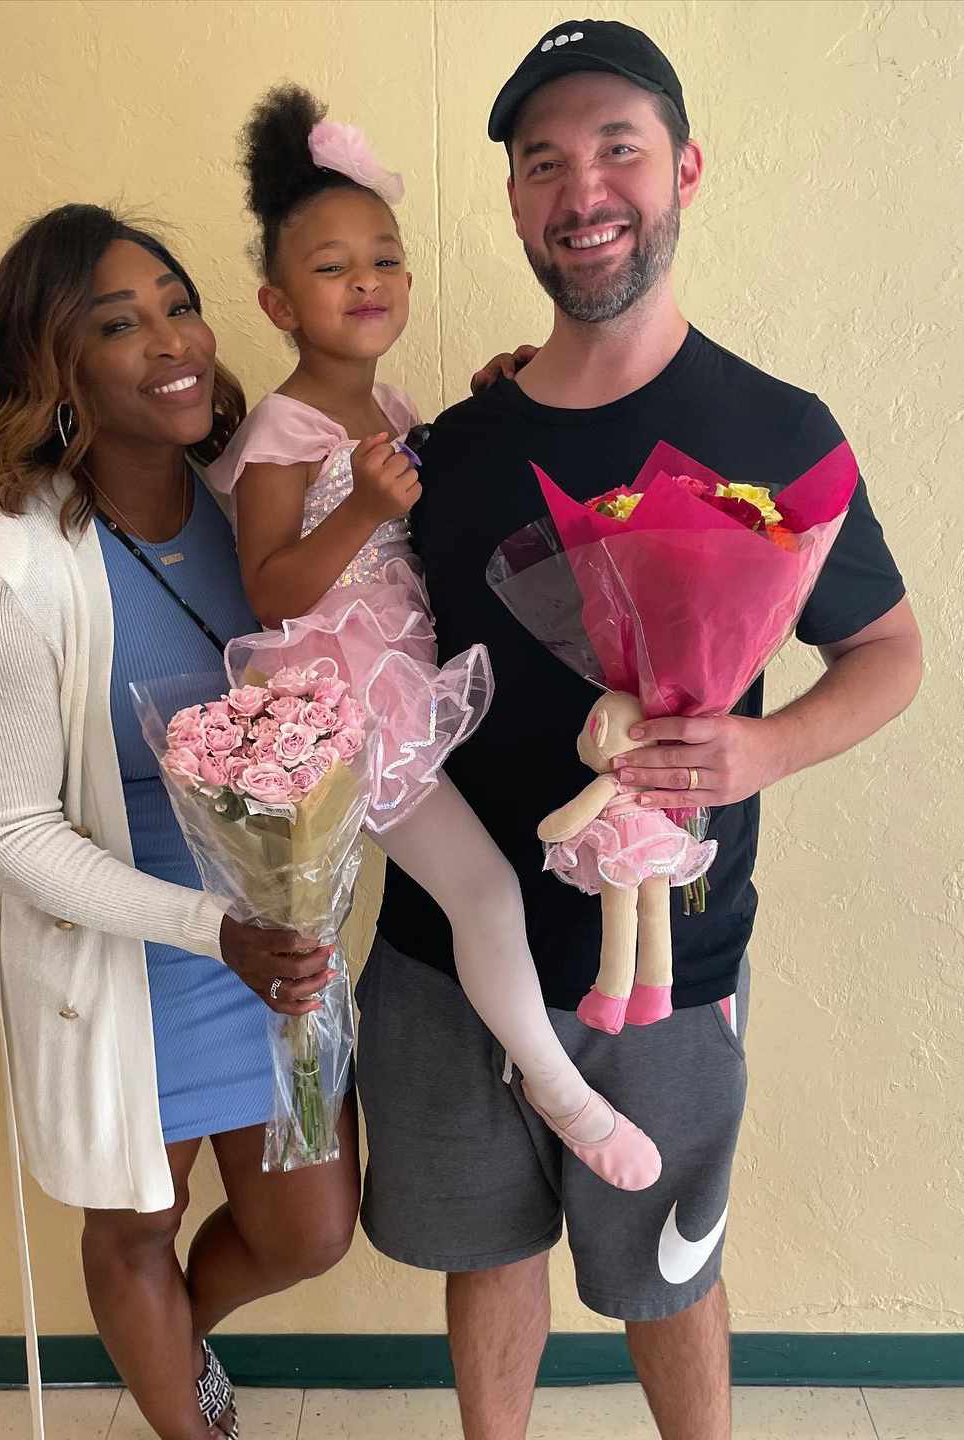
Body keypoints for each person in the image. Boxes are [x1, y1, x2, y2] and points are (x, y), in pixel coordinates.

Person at [354, 21, 923, 1440]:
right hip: (443, 956)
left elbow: (889, 653)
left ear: (684, 170)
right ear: (514, 205)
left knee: (667, 1272)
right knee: (484, 1254)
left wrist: (767, 749)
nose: (581, 188)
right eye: (542, 162)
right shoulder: (453, 450)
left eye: (617, 147)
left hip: (670, 963)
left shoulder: (777, 429)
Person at [0, 205, 365, 1440]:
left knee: (309, 1227)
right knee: (133, 1224)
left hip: (281, 926)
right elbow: (8, 832)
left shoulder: (256, 500)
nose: (171, 340)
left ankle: (170, 1345)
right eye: (118, 324)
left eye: (178, 304)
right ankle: (188, 1418)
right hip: (130, 940)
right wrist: (207, 927)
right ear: (52, 366)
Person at [208, 85, 661, 1194]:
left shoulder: (390, 407)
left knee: (480, 885)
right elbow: (270, 591)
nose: (366, 281)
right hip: (343, 700)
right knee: (484, 893)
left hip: (403, 681)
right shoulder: (285, 428)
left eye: (385, 258)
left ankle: (528, 1063)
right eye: (330, 267)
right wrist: (361, 507)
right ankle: (557, 1085)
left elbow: (440, 486)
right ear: (276, 301)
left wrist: (489, 399)